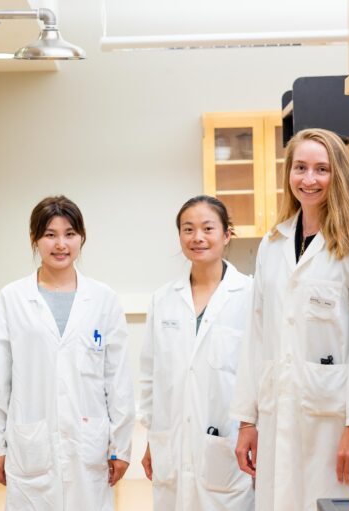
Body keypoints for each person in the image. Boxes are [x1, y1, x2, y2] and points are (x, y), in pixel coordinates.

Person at [231, 128, 349, 510]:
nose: (309, 179)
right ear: (288, 174)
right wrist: (245, 420)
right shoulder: (273, 244)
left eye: (321, 169)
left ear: (339, 175)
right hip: (278, 414)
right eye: (300, 168)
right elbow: (256, 337)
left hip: (335, 422)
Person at [0, 195, 135, 511]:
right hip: (31, 444)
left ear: (82, 238)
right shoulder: (12, 299)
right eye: (50, 234)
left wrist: (121, 446)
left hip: (88, 445)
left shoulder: (103, 299)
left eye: (69, 234)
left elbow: (117, 380)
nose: (60, 244)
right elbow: (1, 382)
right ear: (34, 240)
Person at [139, 195, 254, 510]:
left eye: (207, 228)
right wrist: (152, 439)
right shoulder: (162, 299)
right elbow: (150, 377)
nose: (197, 238)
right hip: (172, 443)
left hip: (228, 445)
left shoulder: (250, 295)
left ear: (227, 234)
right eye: (188, 229)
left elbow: (258, 373)